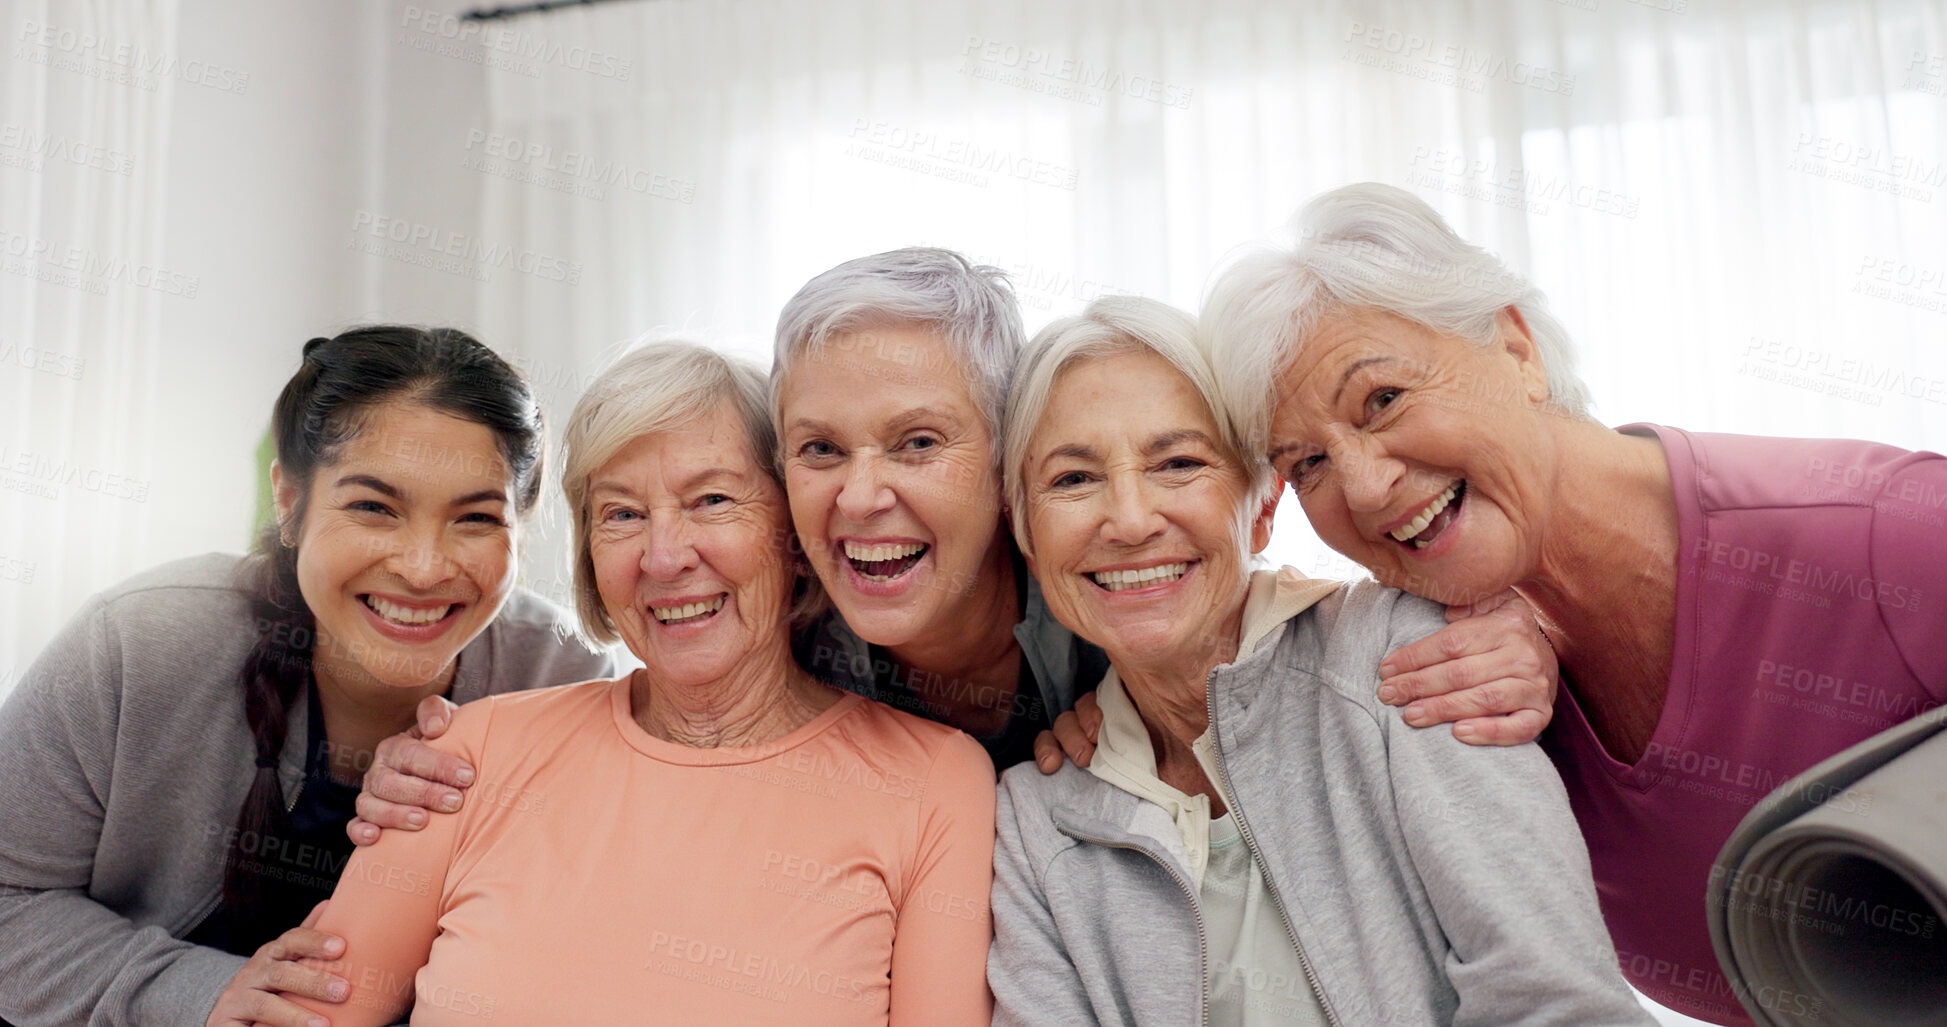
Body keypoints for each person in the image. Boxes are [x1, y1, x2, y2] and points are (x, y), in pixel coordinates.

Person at [347, 248, 1559, 836]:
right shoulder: (793, 640)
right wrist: (451, 769)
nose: (861, 496)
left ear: (1008, 461)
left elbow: (1259, 593)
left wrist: (1513, 620)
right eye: (821, 451)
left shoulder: (1111, 593)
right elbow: (649, 722)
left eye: (916, 444)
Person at [1199, 182, 1947, 1024]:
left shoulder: (1886, 536)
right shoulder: (1463, 679)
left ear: (1516, 350)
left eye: (1382, 399)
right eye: (1305, 465)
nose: (1366, 489)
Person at [284, 342, 995, 1026]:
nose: (663, 555)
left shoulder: (934, 783)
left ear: (797, 531)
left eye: (712, 500)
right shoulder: (464, 755)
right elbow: (307, 1012)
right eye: (621, 514)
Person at [987, 296, 1652, 1026]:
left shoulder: (1405, 658)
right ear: (1026, 534)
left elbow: (1555, 1002)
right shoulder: (1032, 816)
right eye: (1072, 480)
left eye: (1177, 463)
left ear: (1264, 506)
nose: (1131, 519)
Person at [0, 328, 614, 1027]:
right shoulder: (139, 643)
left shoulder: (561, 677)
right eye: (374, 507)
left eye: (475, 518)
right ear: (289, 501)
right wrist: (193, 990)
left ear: (523, 524)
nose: (422, 566)